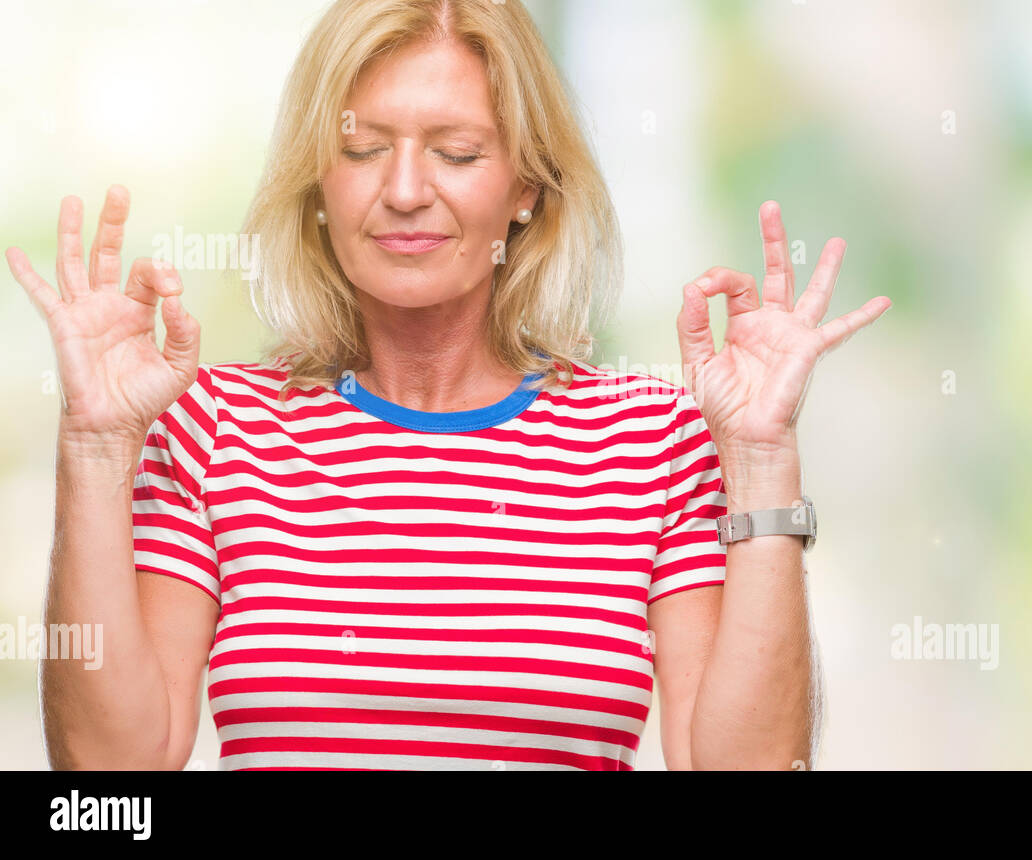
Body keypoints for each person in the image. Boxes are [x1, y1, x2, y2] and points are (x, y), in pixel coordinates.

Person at [6, 0, 890, 771]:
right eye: (361, 148)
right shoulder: (214, 426)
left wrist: (765, 460)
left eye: (456, 153)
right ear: (319, 179)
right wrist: (93, 449)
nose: (402, 191)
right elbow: (109, 777)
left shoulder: (651, 440)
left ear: (528, 190)